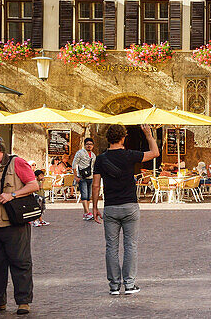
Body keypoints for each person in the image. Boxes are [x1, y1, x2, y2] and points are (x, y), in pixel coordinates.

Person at [92, 123, 159, 296]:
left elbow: (95, 185)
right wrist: (149, 135)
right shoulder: (129, 155)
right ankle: (129, 285)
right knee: (130, 246)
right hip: (130, 205)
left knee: (111, 247)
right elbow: (155, 153)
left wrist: (94, 207)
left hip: (111, 207)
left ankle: (114, 286)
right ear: (123, 137)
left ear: (108, 138)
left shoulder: (100, 159)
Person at [0, 134, 39, 316]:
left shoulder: (16, 163)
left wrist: (12, 195)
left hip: (12, 223)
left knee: (20, 262)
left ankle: (23, 301)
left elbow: (33, 185)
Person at [71, 137, 96, 222]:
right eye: (87, 144)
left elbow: (93, 166)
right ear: (84, 145)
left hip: (90, 177)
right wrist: (75, 176)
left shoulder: (93, 155)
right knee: (84, 195)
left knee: (88, 196)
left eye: (91, 144)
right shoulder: (80, 153)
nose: (89, 146)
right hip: (82, 177)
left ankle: (86, 213)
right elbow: (74, 164)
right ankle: (88, 212)